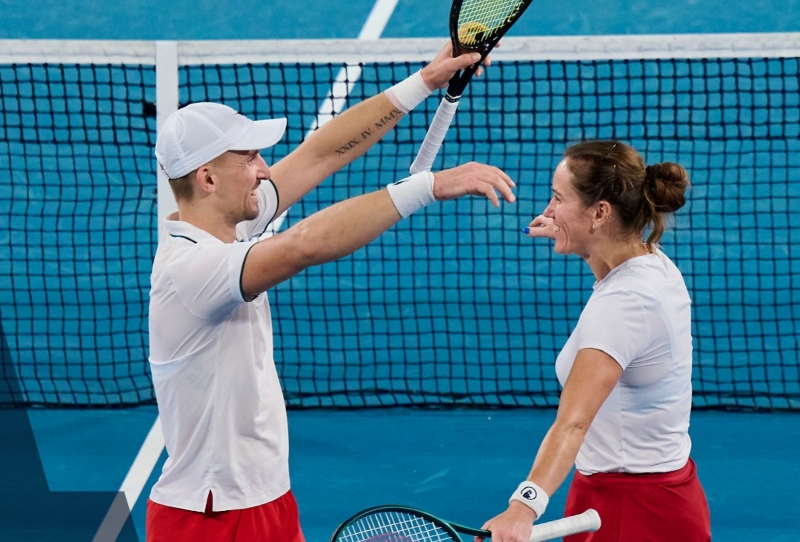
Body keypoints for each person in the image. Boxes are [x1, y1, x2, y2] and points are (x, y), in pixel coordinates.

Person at [145, 42, 516, 542]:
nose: (265, 169)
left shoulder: (230, 225)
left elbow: (319, 154)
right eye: (250, 157)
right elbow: (302, 245)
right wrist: (426, 187)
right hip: (211, 518)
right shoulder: (191, 271)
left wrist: (425, 81)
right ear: (208, 178)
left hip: (265, 495)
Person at [478, 140, 710, 542]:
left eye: (557, 198)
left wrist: (523, 507)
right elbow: (611, 259)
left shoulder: (624, 305)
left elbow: (574, 423)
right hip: (644, 493)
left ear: (601, 212)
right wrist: (576, 233)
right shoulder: (650, 260)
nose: (548, 210)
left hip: (629, 510)